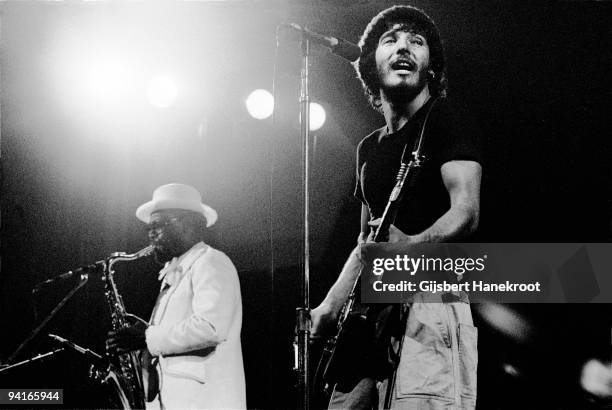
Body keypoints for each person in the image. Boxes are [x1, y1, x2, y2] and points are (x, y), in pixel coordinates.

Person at [311, 5, 481, 409]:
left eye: (416, 42)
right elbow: (365, 242)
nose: (404, 46)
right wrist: (330, 305)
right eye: (391, 40)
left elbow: (466, 211)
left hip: (429, 297)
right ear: (370, 66)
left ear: (431, 68)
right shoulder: (368, 148)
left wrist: (413, 245)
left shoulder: (444, 120)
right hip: (368, 310)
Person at [106, 183, 246, 409]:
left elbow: (210, 327)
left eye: (159, 225)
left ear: (189, 224)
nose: (151, 234)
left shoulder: (211, 261)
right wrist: (137, 338)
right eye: (149, 228)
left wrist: (146, 337)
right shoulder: (175, 272)